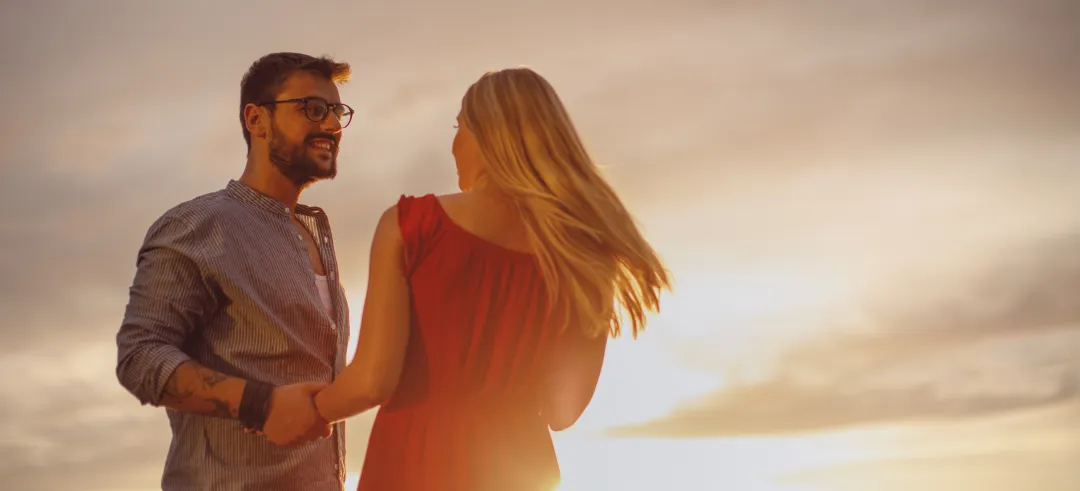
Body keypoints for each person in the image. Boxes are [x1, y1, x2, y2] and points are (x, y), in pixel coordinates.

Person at [312, 67, 671, 490]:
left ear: (487, 135)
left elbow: (373, 380)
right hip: (521, 470)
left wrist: (305, 410)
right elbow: (563, 410)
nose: (454, 143)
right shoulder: (587, 255)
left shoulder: (414, 226)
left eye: (458, 126)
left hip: (416, 464)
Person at [115, 52, 355, 491]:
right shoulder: (199, 226)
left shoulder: (316, 235)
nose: (332, 125)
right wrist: (260, 404)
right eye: (313, 109)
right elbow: (140, 356)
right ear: (256, 119)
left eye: (337, 111)